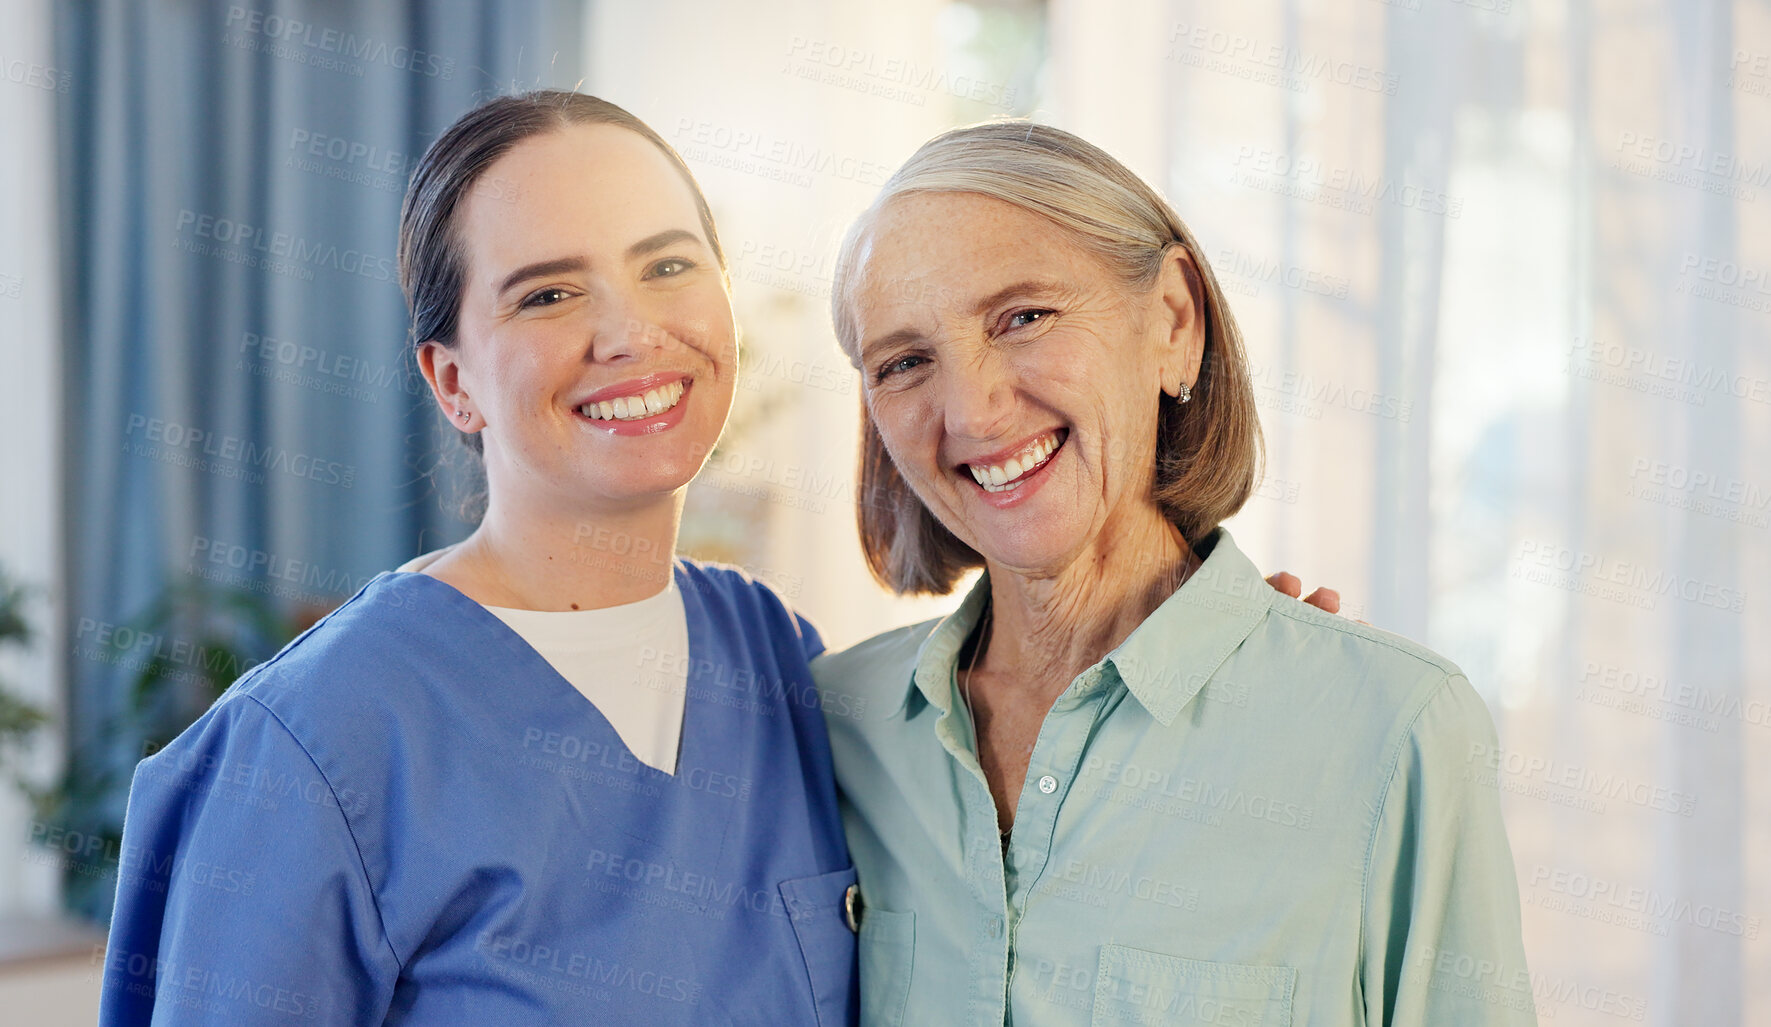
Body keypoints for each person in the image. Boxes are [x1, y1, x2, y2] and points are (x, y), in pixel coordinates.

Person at [100, 91, 858, 1026]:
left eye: (667, 264)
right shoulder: (319, 743)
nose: (630, 332)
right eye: (548, 293)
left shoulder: (778, 660)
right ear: (453, 381)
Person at [814, 121, 1534, 1026]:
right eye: (905, 361)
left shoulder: (1391, 732)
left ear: (1172, 321)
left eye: (1023, 317)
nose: (972, 409)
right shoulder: (828, 731)